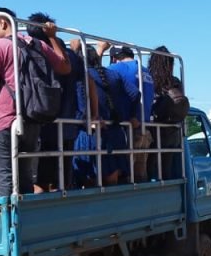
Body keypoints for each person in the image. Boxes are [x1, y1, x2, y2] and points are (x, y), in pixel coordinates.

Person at [0, 8, 71, 197]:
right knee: (25, 177)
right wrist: (52, 38)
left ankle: (5, 223)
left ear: (3, 23)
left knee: (4, 177)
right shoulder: (37, 44)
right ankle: (27, 219)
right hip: (32, 117)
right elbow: (64, 67)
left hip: (4, 120)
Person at [28, 12, 82, 192]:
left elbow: (65, 68)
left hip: (42, 124)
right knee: (58, 177)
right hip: (63, 125)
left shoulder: (30, 50)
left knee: (41, 178)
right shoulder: (70, 56)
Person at [72, 44, 131, 187]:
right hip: (115, 132)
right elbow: (134, 93)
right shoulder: (114, 75)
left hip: (90, 134)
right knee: (112, 183)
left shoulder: (82, 76)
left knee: (89, 182)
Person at [101, 42, 155, 182]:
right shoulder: (145, 71)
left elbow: (98, 78)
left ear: (114, 58)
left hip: (128, 129)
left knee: (125, 176)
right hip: (145, 129)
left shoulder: (116, 69)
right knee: (140, 176)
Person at [148, 45, 187, 180]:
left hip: (155, 130)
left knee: (150, 165)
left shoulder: (149, 80)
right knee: (166, 168)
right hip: (173, 131)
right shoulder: (175, 82)